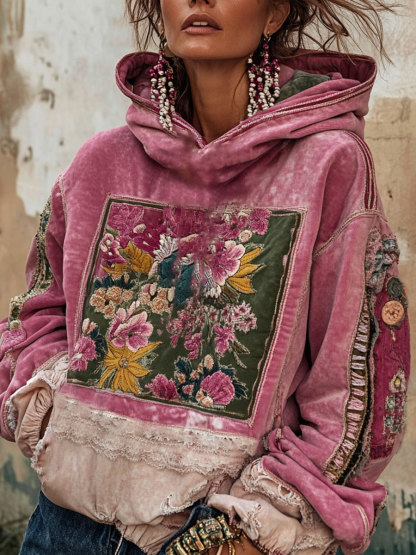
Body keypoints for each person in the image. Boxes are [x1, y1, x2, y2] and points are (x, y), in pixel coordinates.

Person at [0, 0, 410, 553]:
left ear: (274, 14)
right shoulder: (101, 162)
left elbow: (354, 381)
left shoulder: (328, 165)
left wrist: (252, 531)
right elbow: (38, 310)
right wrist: (54, 411)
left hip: (220, 534)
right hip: (64, 528)